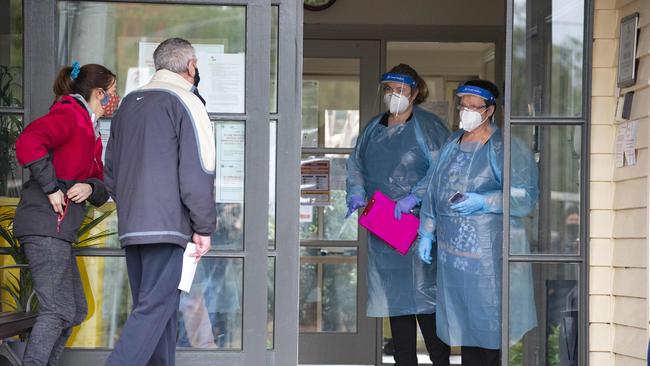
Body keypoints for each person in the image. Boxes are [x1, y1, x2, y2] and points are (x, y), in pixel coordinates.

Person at [104, 37, 216, 366]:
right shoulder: (187, 101)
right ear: (191, 66)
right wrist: (203, 227)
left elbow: (109, 170)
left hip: (133, 227)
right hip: (168, 227)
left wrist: (131, 206)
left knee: (159, 313)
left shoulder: (128, 106)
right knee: (153, 310)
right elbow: (198, 171)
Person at [417, 80, 538, 366]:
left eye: (474, 106)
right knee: (466, 329)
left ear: (490, 109)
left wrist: (485, 201)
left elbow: (525, 195)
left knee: (491, 328)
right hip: (454, 260)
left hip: (489, 260)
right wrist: (427, 231)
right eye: (463, 105)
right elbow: (435, 187)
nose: (467, 111)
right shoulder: (451, 143)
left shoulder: (504, 146)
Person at [346, 64, 451, 366]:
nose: (394, 95)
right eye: (390, 89)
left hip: (419, 227)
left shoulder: (428, 127)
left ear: (415, 92)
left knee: (425, 305)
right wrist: (356, 191)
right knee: (398, 309)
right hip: (384, 227)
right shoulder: (373, 127)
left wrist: (413, 197)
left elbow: (442, 169)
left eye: (401, 90)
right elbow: (356, 164)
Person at [13, 62, 114, 365]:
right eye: (113, 92)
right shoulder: (70, 114)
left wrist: (88, 186)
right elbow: (28, 141)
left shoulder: (90, 127)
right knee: (57, 310)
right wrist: (51, 188)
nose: (115, 98)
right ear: (98, 93)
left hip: (58, 231)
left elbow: (102, 184)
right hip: (45, 227)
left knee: (74, 310)